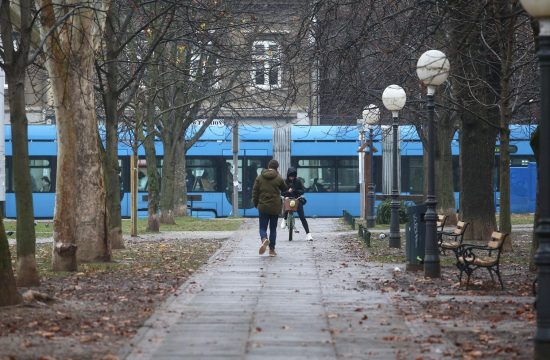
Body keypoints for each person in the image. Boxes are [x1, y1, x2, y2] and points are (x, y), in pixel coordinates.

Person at [252, 159, 287, 256]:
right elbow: (285, 189)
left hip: (263, 206)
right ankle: (271, 250)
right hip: (275, 207)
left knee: (262, 227)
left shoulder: (259, 177)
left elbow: (255, 192)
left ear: (268, 167)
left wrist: (256, 204)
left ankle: (264, 239)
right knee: (273, 229)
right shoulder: (279, 178)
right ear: (277, 168)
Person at [281, 168, 312, 241]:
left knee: (302, 217)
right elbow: (282, 193)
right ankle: (284, 219)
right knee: (286, 203)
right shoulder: (285, 182)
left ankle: (308, 234)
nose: (291, 177)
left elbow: (302, 191)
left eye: (293, 176)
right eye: (290, 176)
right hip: (288, 199)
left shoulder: (298, 181)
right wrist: (288, 192)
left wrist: (295, 190)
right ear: (288, 176)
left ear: (295, 176)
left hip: (297, 200)